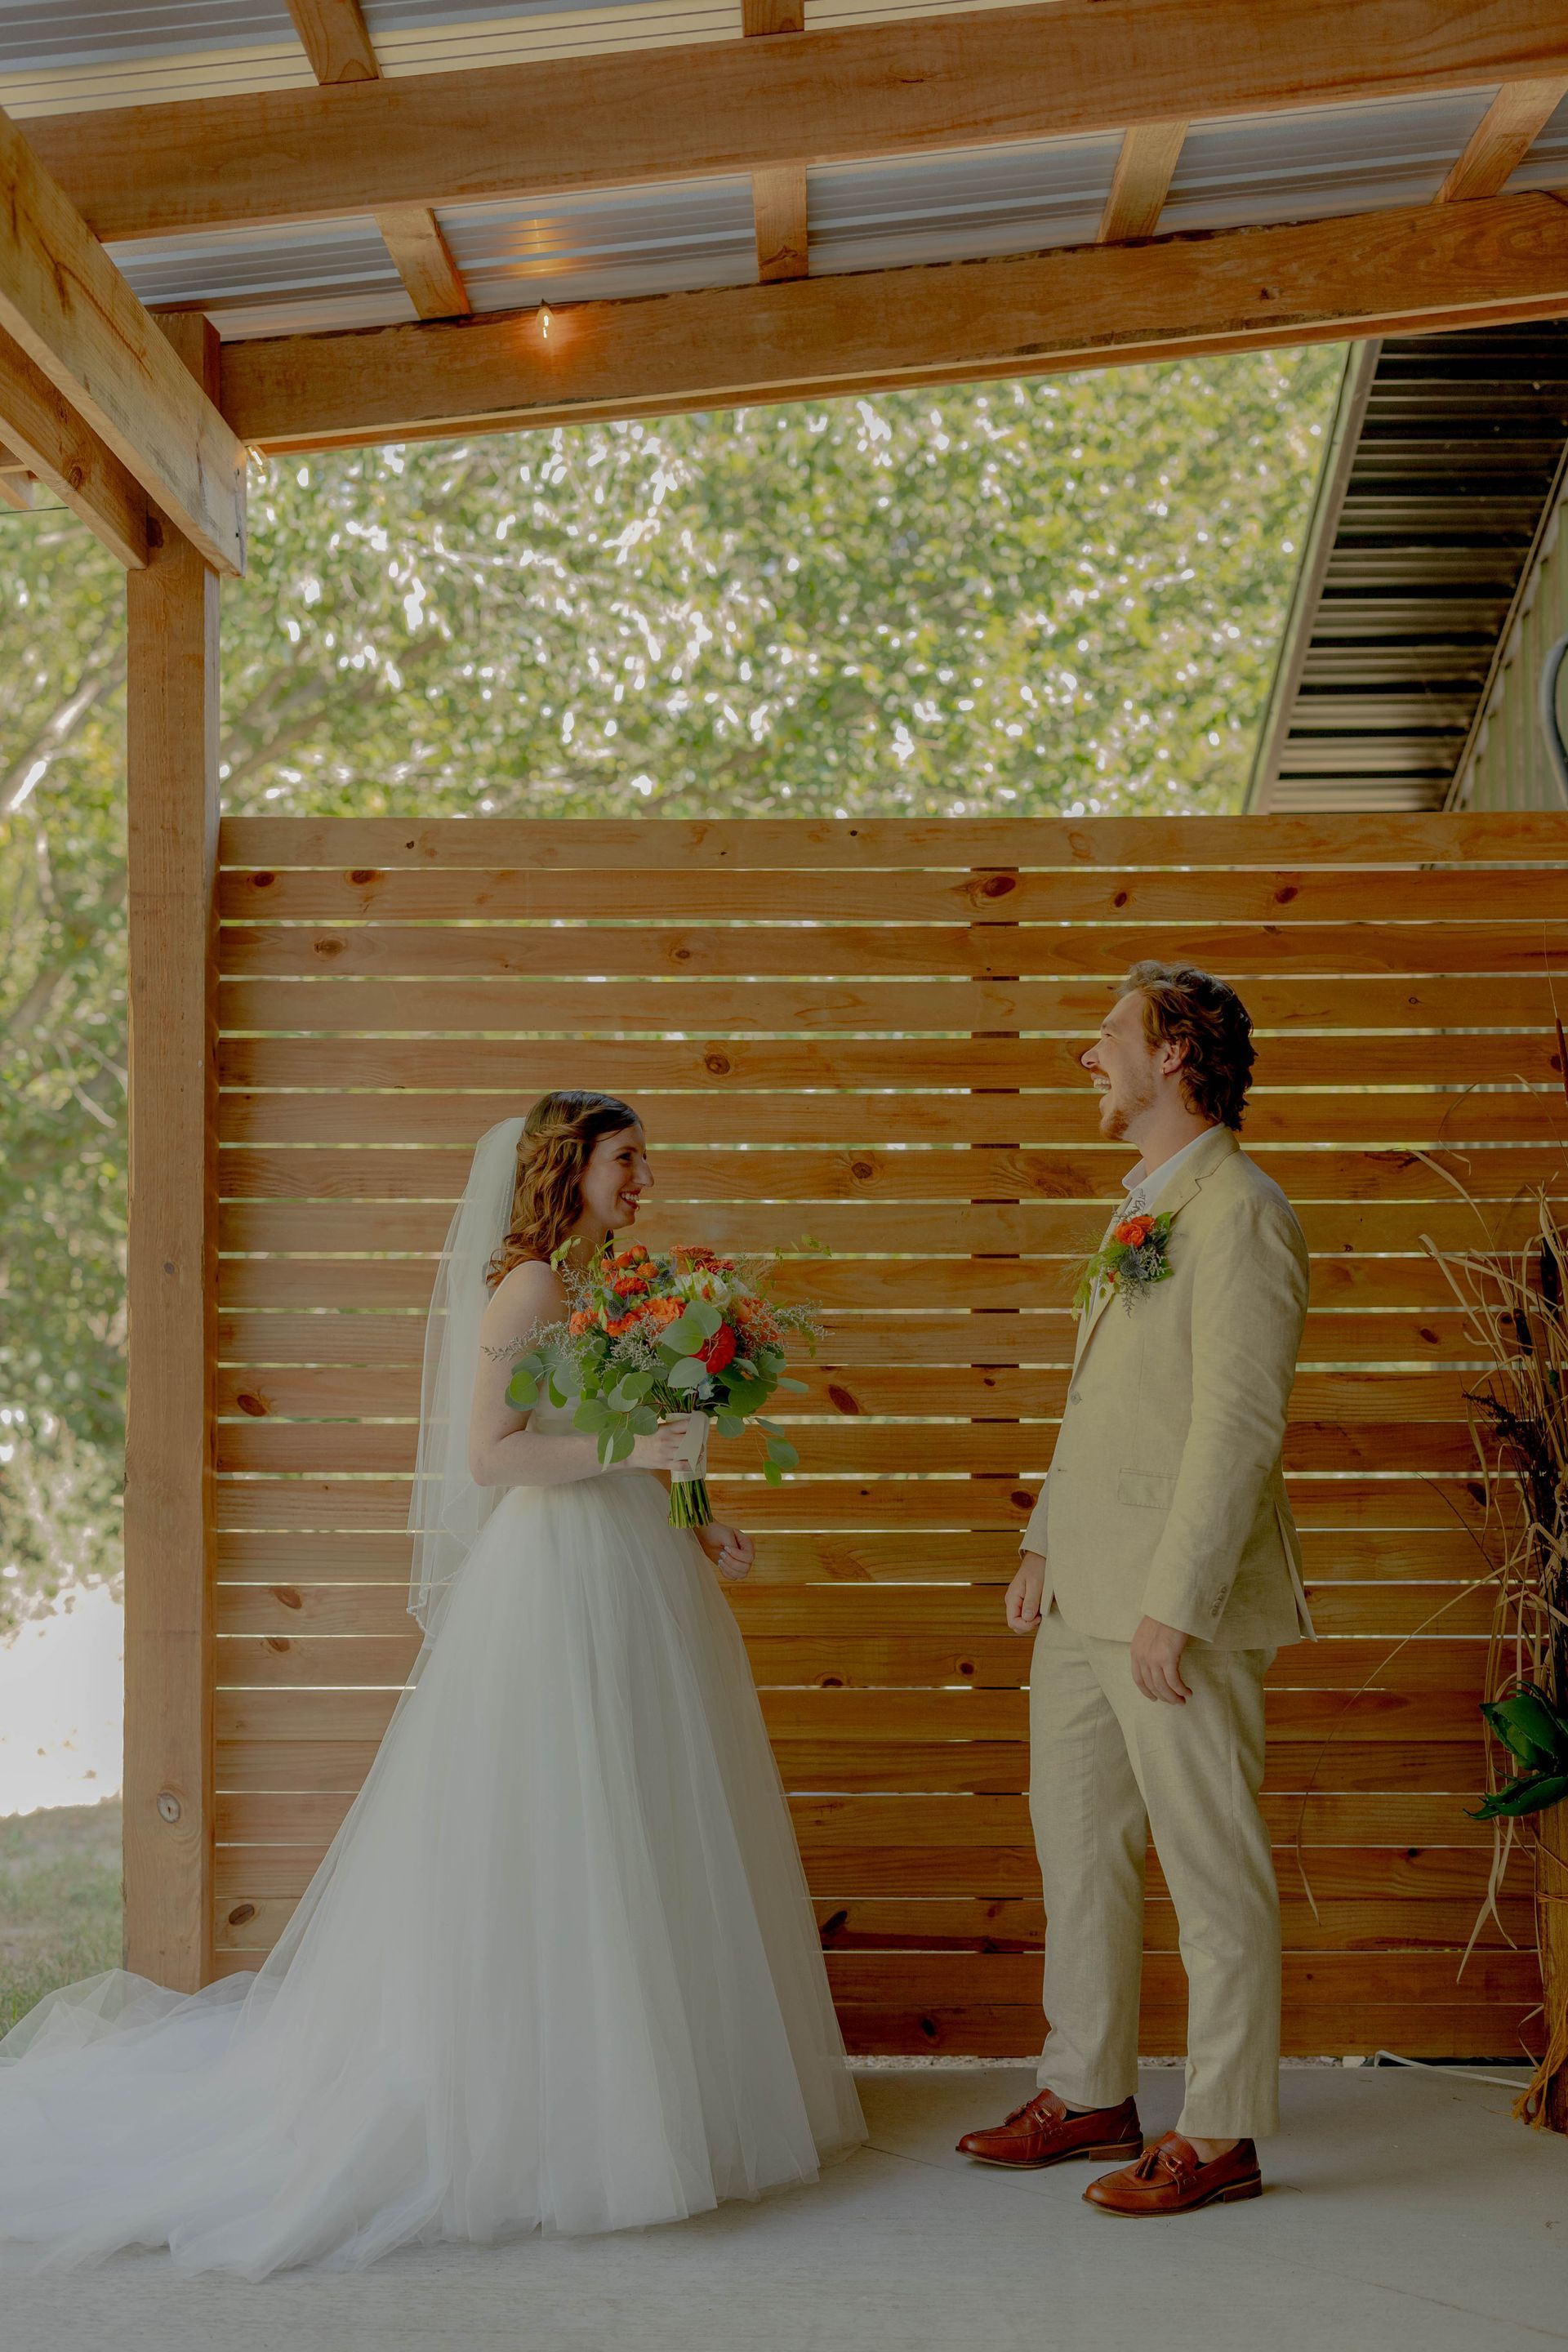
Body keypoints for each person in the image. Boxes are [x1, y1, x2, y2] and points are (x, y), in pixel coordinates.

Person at [0, 1090, 863, 2278]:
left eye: (645, 1158)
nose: (644, 1178)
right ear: (571, 1166)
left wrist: (697, 1511)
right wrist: (638, 1452)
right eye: (626, 1159)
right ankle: (541, 2119)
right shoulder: (528, 1291)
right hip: (555, 1583)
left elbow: (635, 1426)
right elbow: (491, 1454)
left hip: (632, 1566)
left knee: (641, 1824)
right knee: (560, 1834)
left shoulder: (607, 1287)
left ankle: (641, 2101)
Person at [956, 963, 1312, 2216]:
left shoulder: (1241, 1212)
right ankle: (1092, 2088)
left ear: (1175, 1057)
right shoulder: (1139, 1211)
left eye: (1109, 1033)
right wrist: (1045, 1542)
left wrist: (1181, 1604)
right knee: (1079, 1852)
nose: (1086, 1054)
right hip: (1081, 1597)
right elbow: (1103, 1406)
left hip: (1173, 1609)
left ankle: (1221, 2134)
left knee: (1210, 1866)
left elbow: (1236, 1428)